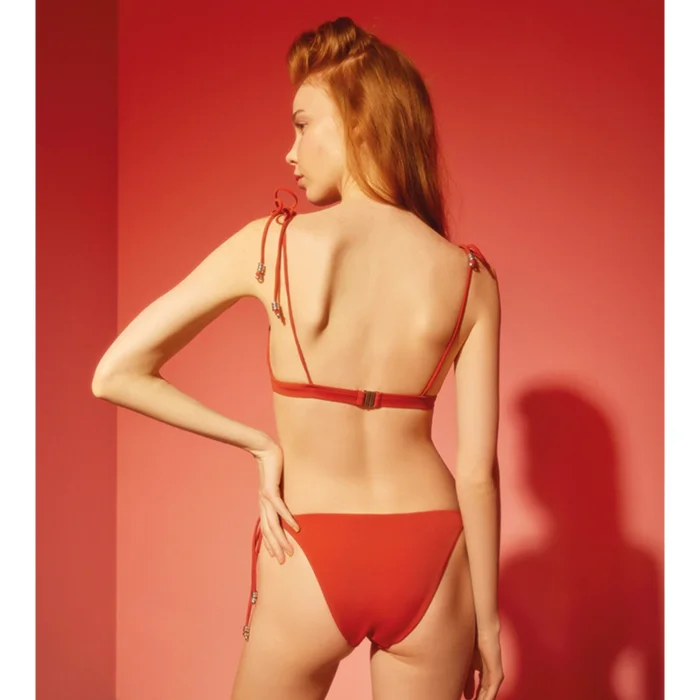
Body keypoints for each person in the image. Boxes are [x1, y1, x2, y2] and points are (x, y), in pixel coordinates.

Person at [92, 16, 503, 700]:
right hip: (433, 555)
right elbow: (479, 475)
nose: (290, 152)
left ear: (360, 124)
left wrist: (259, 445)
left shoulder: (271, 246)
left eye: (303, 125)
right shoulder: (469, 277)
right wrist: (488, 625)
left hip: (310, 543)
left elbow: (114, 373)